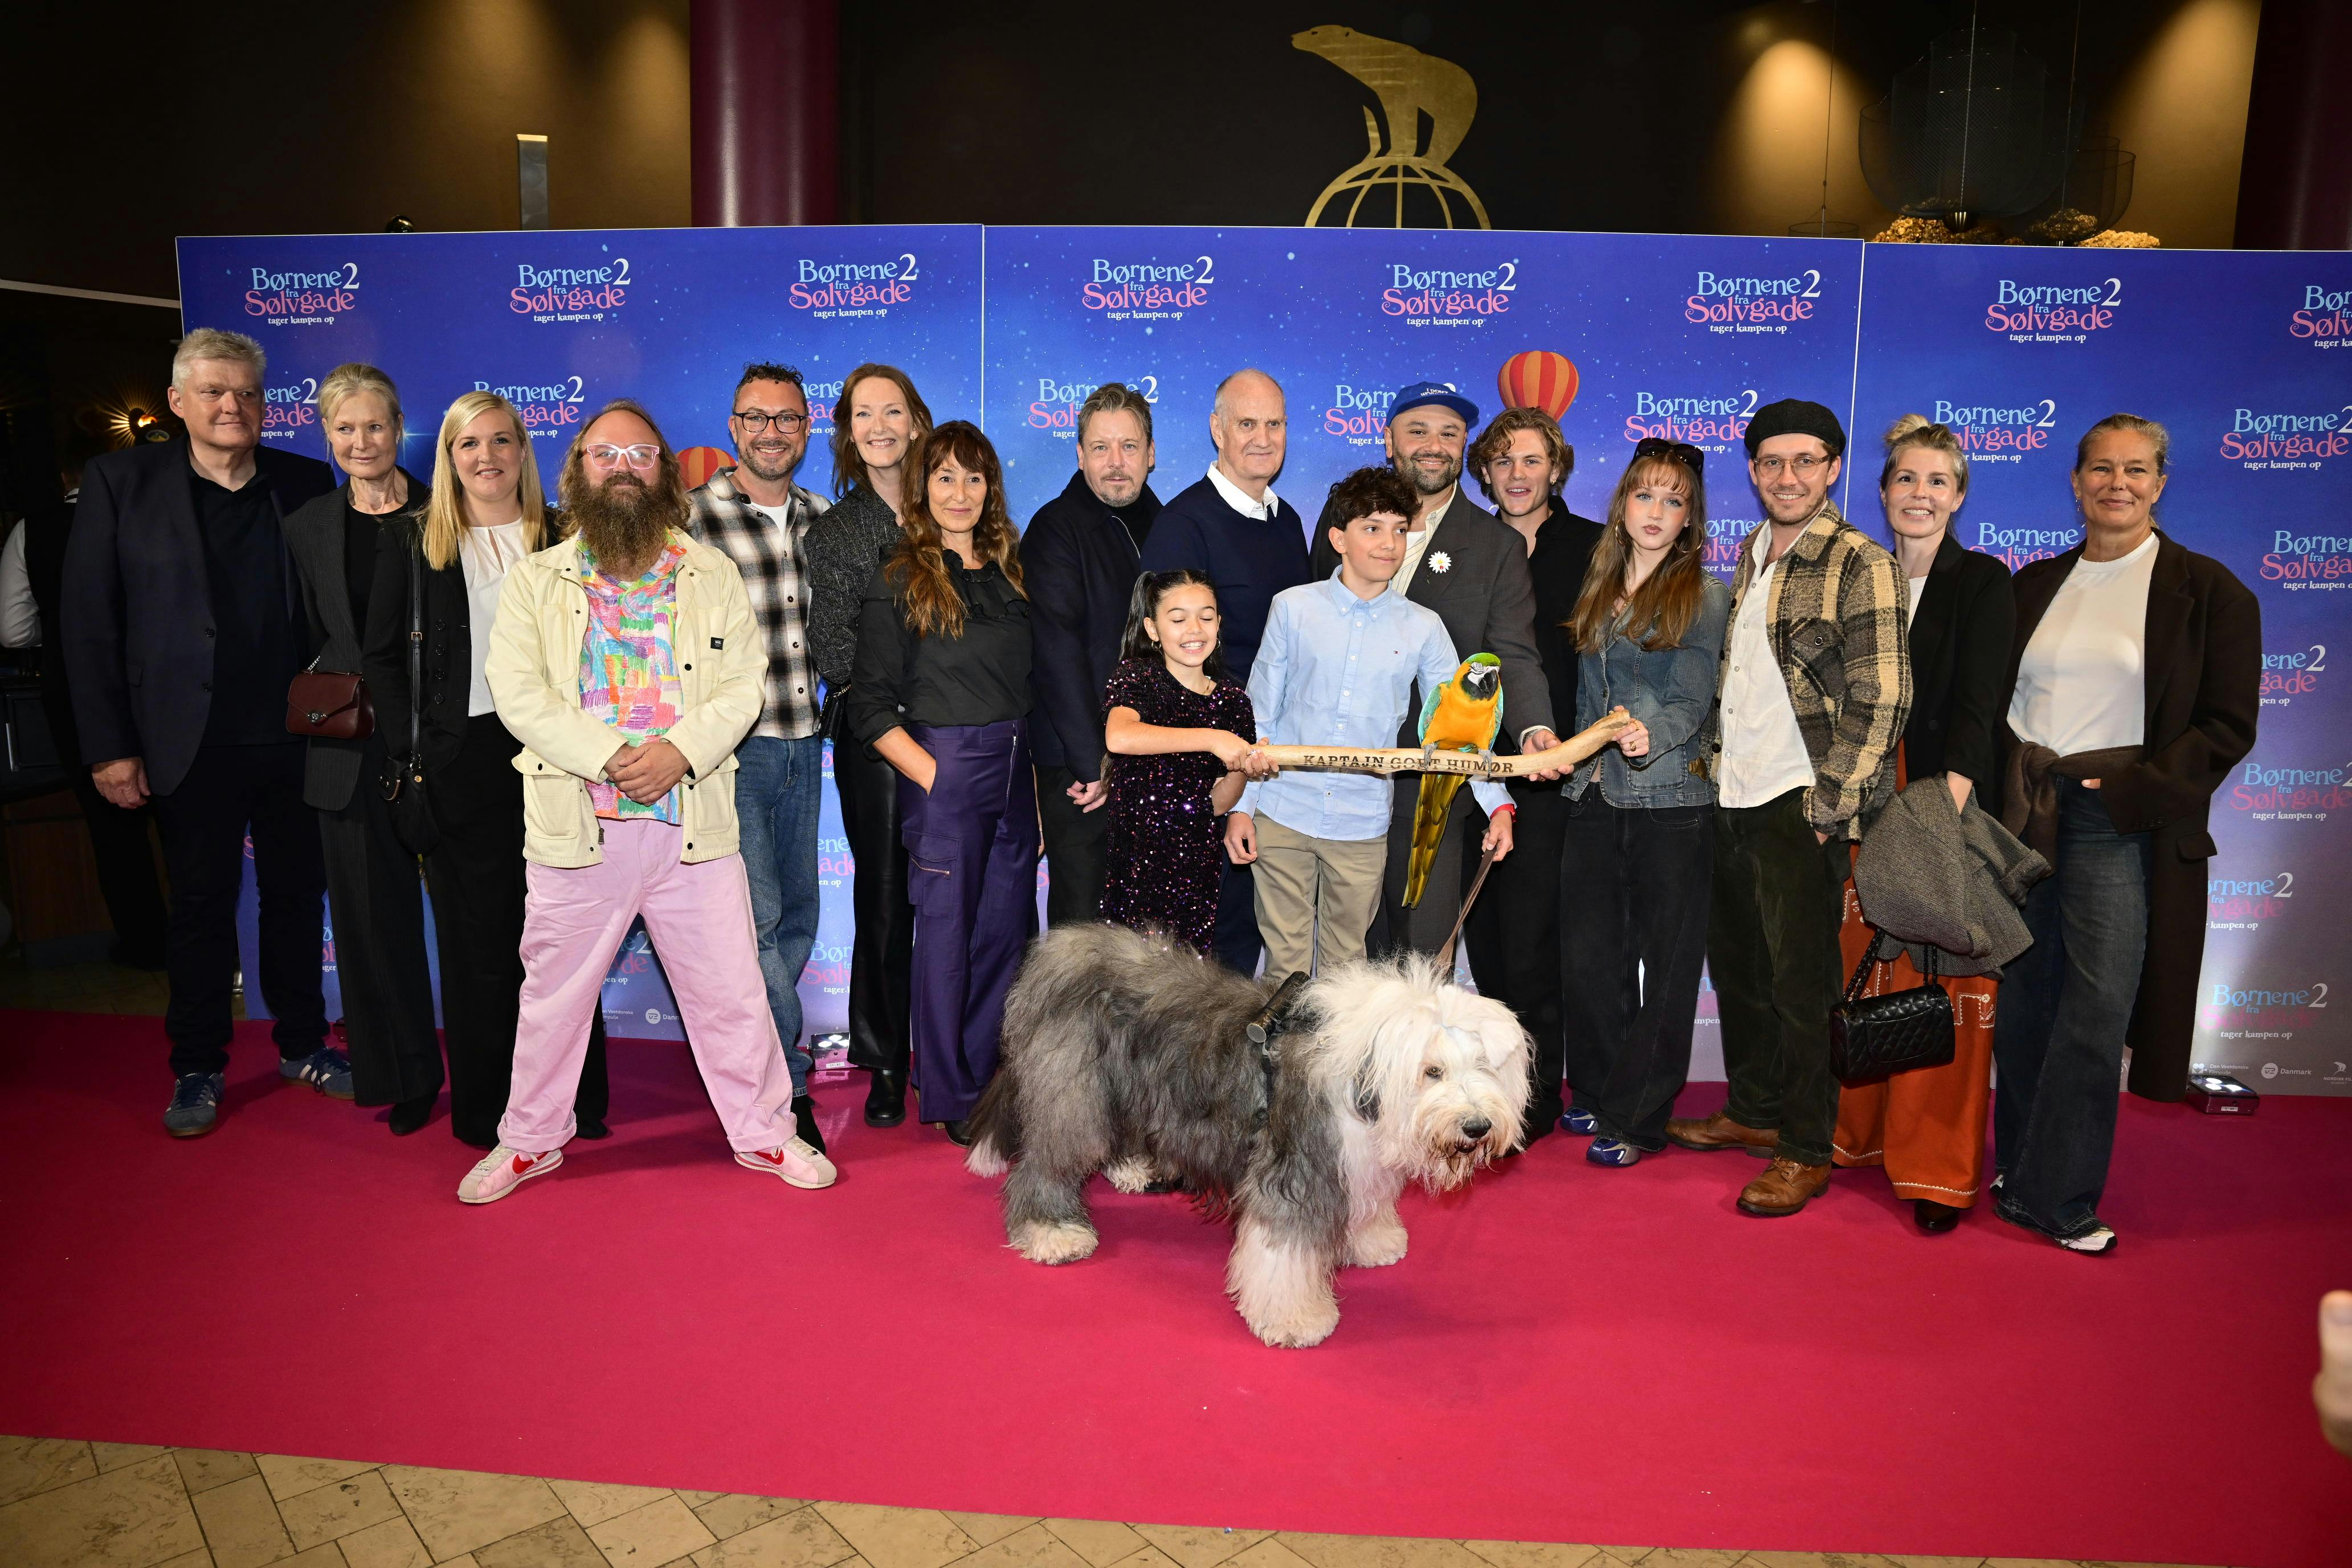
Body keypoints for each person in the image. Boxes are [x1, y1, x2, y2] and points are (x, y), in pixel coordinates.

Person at [456, 399, 830, 1203]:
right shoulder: (537, 578)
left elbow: (742, 688)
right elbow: (518, 695)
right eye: (604, 455)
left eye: (640, 455)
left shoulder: (711, 572)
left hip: (692, 822)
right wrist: (616, 757)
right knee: (553, 999)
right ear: (576, 472)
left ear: (665, 472)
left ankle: (765, 1134)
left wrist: (677, 754)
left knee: (732, 991)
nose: (622, 468)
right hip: (578, 827)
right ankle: (529, 1141)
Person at [62, 328, 342, 1137]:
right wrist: (110, 747)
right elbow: (88, 624)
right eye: (214, 392)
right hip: (185, 743)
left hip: (297, 737)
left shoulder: (303, 479)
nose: (232, 406)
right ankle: (197, 1066)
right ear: (179, 402)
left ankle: (302, 1045)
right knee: (199, 908)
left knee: (296, 898)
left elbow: (330, 615)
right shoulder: (123, 483)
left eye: (248, 393)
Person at [1992, 413, 2258, 1254]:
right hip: (2028, 813)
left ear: (2161, 483)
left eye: (2136, 470)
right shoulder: (2033, 583)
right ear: (2074, 483)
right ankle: (2021, 1169)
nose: (2118, 483)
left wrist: (2130, 787)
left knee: (2097, 1007)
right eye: (2101, 469)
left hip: (2120, 821)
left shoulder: (2210, 592)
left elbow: (2226, 725)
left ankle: (2061, 1197)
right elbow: (2000, 696)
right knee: (2028, 1000)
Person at [1666, 398, 1909, 1218]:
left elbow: (1882, 698)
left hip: (1799, 801)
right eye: (1772, 463)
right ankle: (1757, 1111)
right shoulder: (1754, 554)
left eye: (1806, 461)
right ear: (1754, 471)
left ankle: (1806, 1147)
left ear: (1834, 468)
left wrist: (1830, 805)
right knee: (1741, 971)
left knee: (1803, 987)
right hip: (1732, 793)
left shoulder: (1859, 560)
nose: (1788, 476)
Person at [364, 391, 610, 1150]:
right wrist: (420, 760)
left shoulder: (568, 535)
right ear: (448, 457)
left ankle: (577, 1105)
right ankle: (485, 1112)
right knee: (478, 949)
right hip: (460, 760)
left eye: (501, 441)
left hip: (561, 759)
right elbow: (382, 661)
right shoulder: (415, 543)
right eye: (468, 444)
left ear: (521, 451)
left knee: (568, 942)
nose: (486, 457)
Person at [1830, 416, 2015, 1231]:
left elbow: (1983, 700)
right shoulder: (1854, 573)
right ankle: (1854, 1138)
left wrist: (1951, 807)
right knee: (1861, 966)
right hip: (1857, 796)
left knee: (1945, 982)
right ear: (1882, 490)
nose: (1920, 494)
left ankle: (1934, 1171)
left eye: (1938, 481)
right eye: (1906, 478)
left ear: (1961, 495)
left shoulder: (1982, 582)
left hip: (1941, 797)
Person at [1227, 467, 1515, 981]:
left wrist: (1497, 805)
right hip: (1282, 813)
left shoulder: (1424, 627)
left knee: (1347, 976)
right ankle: (1276, 1065)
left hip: (1361, 825)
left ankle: (1331, 1067)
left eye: (1400, 530)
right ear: (1338, 538)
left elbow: (1461, 727)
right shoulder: (1293, 608)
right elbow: (1260, 713)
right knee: (1284, 971)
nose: (1389, 543)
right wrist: (1242, 807)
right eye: (1372, 528)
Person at [1308, 382, 1561, 961]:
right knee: (1347, 962)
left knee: (1421, 959)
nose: (1433, 445)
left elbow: (1512, 654)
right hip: (1340, 779)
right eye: (1417, 430)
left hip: (1433, 786)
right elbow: (1315, 626)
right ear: (1388, 438)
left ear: (1464, 445)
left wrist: (1533, 729)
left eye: (1449, 433)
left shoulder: (1496, 547)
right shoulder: (1344, 515)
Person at [846, 422, 1038, 1146]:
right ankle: (951, 1092)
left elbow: (1030, 685)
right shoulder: (897, 576)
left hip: (1017, 772)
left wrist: (1035, 793)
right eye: (946, 477)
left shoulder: (1012, 570)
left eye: (975, 477)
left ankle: (992, 1082)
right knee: (948, 940)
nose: (960, 493)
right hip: (944, 767)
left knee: (1005, 938)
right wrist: (937, 776)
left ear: (991, 488)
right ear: (923, 487)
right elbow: (867, 705)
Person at [1557, 442, 1731, 1166]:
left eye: (1674, 500)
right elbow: (1585, 695)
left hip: (1671, 798)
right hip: (1593, 792)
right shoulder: (1597, 587)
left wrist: (1640, 735)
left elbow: (1691, 699)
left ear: (1690, 520)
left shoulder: (1705, 593)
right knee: (1591, 959)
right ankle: (1598, 1090)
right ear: (1623, 504)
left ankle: (1639, 1118)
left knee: (1667, 966)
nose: (1657, 512)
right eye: (1646, 496)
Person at [283, 364, 440, 1134]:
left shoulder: (448, 511)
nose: (362, 441)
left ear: (399, 426)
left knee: (480, 920)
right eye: (345, 429)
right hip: (348, 754)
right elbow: (299, 633)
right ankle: (403, 1075)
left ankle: (498, 1073)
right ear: (326, 435)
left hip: (448, 746)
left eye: (375, 426)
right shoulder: (306, 526)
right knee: (372, 930)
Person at [687, 361, 834, 1154]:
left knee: (799, 917)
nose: (771, 432)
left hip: (806, 744)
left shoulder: (824, 518)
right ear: (733, 426)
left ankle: (760, 1060)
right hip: (729, 758)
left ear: (806, 429)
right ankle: (786, 1087)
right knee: (759, 921)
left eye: (786, 419)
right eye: (755, 418)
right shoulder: (690, 520)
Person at [1459, 406, 1603, 1146]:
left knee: (1533, 939)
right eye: (1504, 460)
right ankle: (1491, 1086)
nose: (1518, 474)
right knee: (1482, 935)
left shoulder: (1589, 547)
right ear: (1484, 469)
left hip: (1547, 773)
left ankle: (1541, 1094)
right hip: (1464, 769)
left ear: (1556, 469)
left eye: (1532, 460)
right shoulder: (1467, 543)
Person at [1138, 369, 1312, 974]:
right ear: (1217, 428)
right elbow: (1157, 662)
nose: (1263, 438)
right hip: (1201, 776)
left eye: (1275, 424)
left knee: (1247, 932)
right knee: (1192, 949)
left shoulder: (1288, 523)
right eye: (1247, 423)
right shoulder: (1182, 525)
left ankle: (1229, 1067)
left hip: (1271, 766)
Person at [805, 363, 931, 1127]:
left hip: (961, 729)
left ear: (916, 420)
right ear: (848, 433)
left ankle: (951, 1053)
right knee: (885, 900)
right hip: (875, 735)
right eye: (862, 415)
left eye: (893, 411)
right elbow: (833, 646)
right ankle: (885, 1061)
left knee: (954, 901)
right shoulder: (837, 530)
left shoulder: (956, 506)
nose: (880, 426)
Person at [1, 435, 168, 969]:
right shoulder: (161, 515)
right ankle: (210, 946)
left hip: (74, 690)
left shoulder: (34, 530)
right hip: (164, 687)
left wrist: (60, 632)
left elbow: (13, 630)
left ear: (67, 475)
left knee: (112, 829)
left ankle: (144, 944)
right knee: (188, 823)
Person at [1024, 383, 1163, 926]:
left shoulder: (1168, 526)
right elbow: (1056, 654)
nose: (1115, 463)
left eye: (1129, 447)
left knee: (1147, 928)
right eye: (1100, 448)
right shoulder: (1055, 528)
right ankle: (1065, 1019)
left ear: (1151, 455)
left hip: (1154, 759)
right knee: (1082, 928)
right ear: (1080, 455)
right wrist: (1095, 763)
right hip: (1082, 769)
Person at [1100, 570, 1257, 953]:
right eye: (1178, 619)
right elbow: (1119, 738)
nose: (1195, 630)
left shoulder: (1235, 703)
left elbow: (1218, 804)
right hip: (1135, 864)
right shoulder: (1137, 678)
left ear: (1219, 624)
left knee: (1182, 984)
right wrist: (1213, 739)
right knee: (1128, 978)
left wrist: (1242, 766)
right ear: (1152, 629)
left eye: (1206, 617)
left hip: (1195, 869)